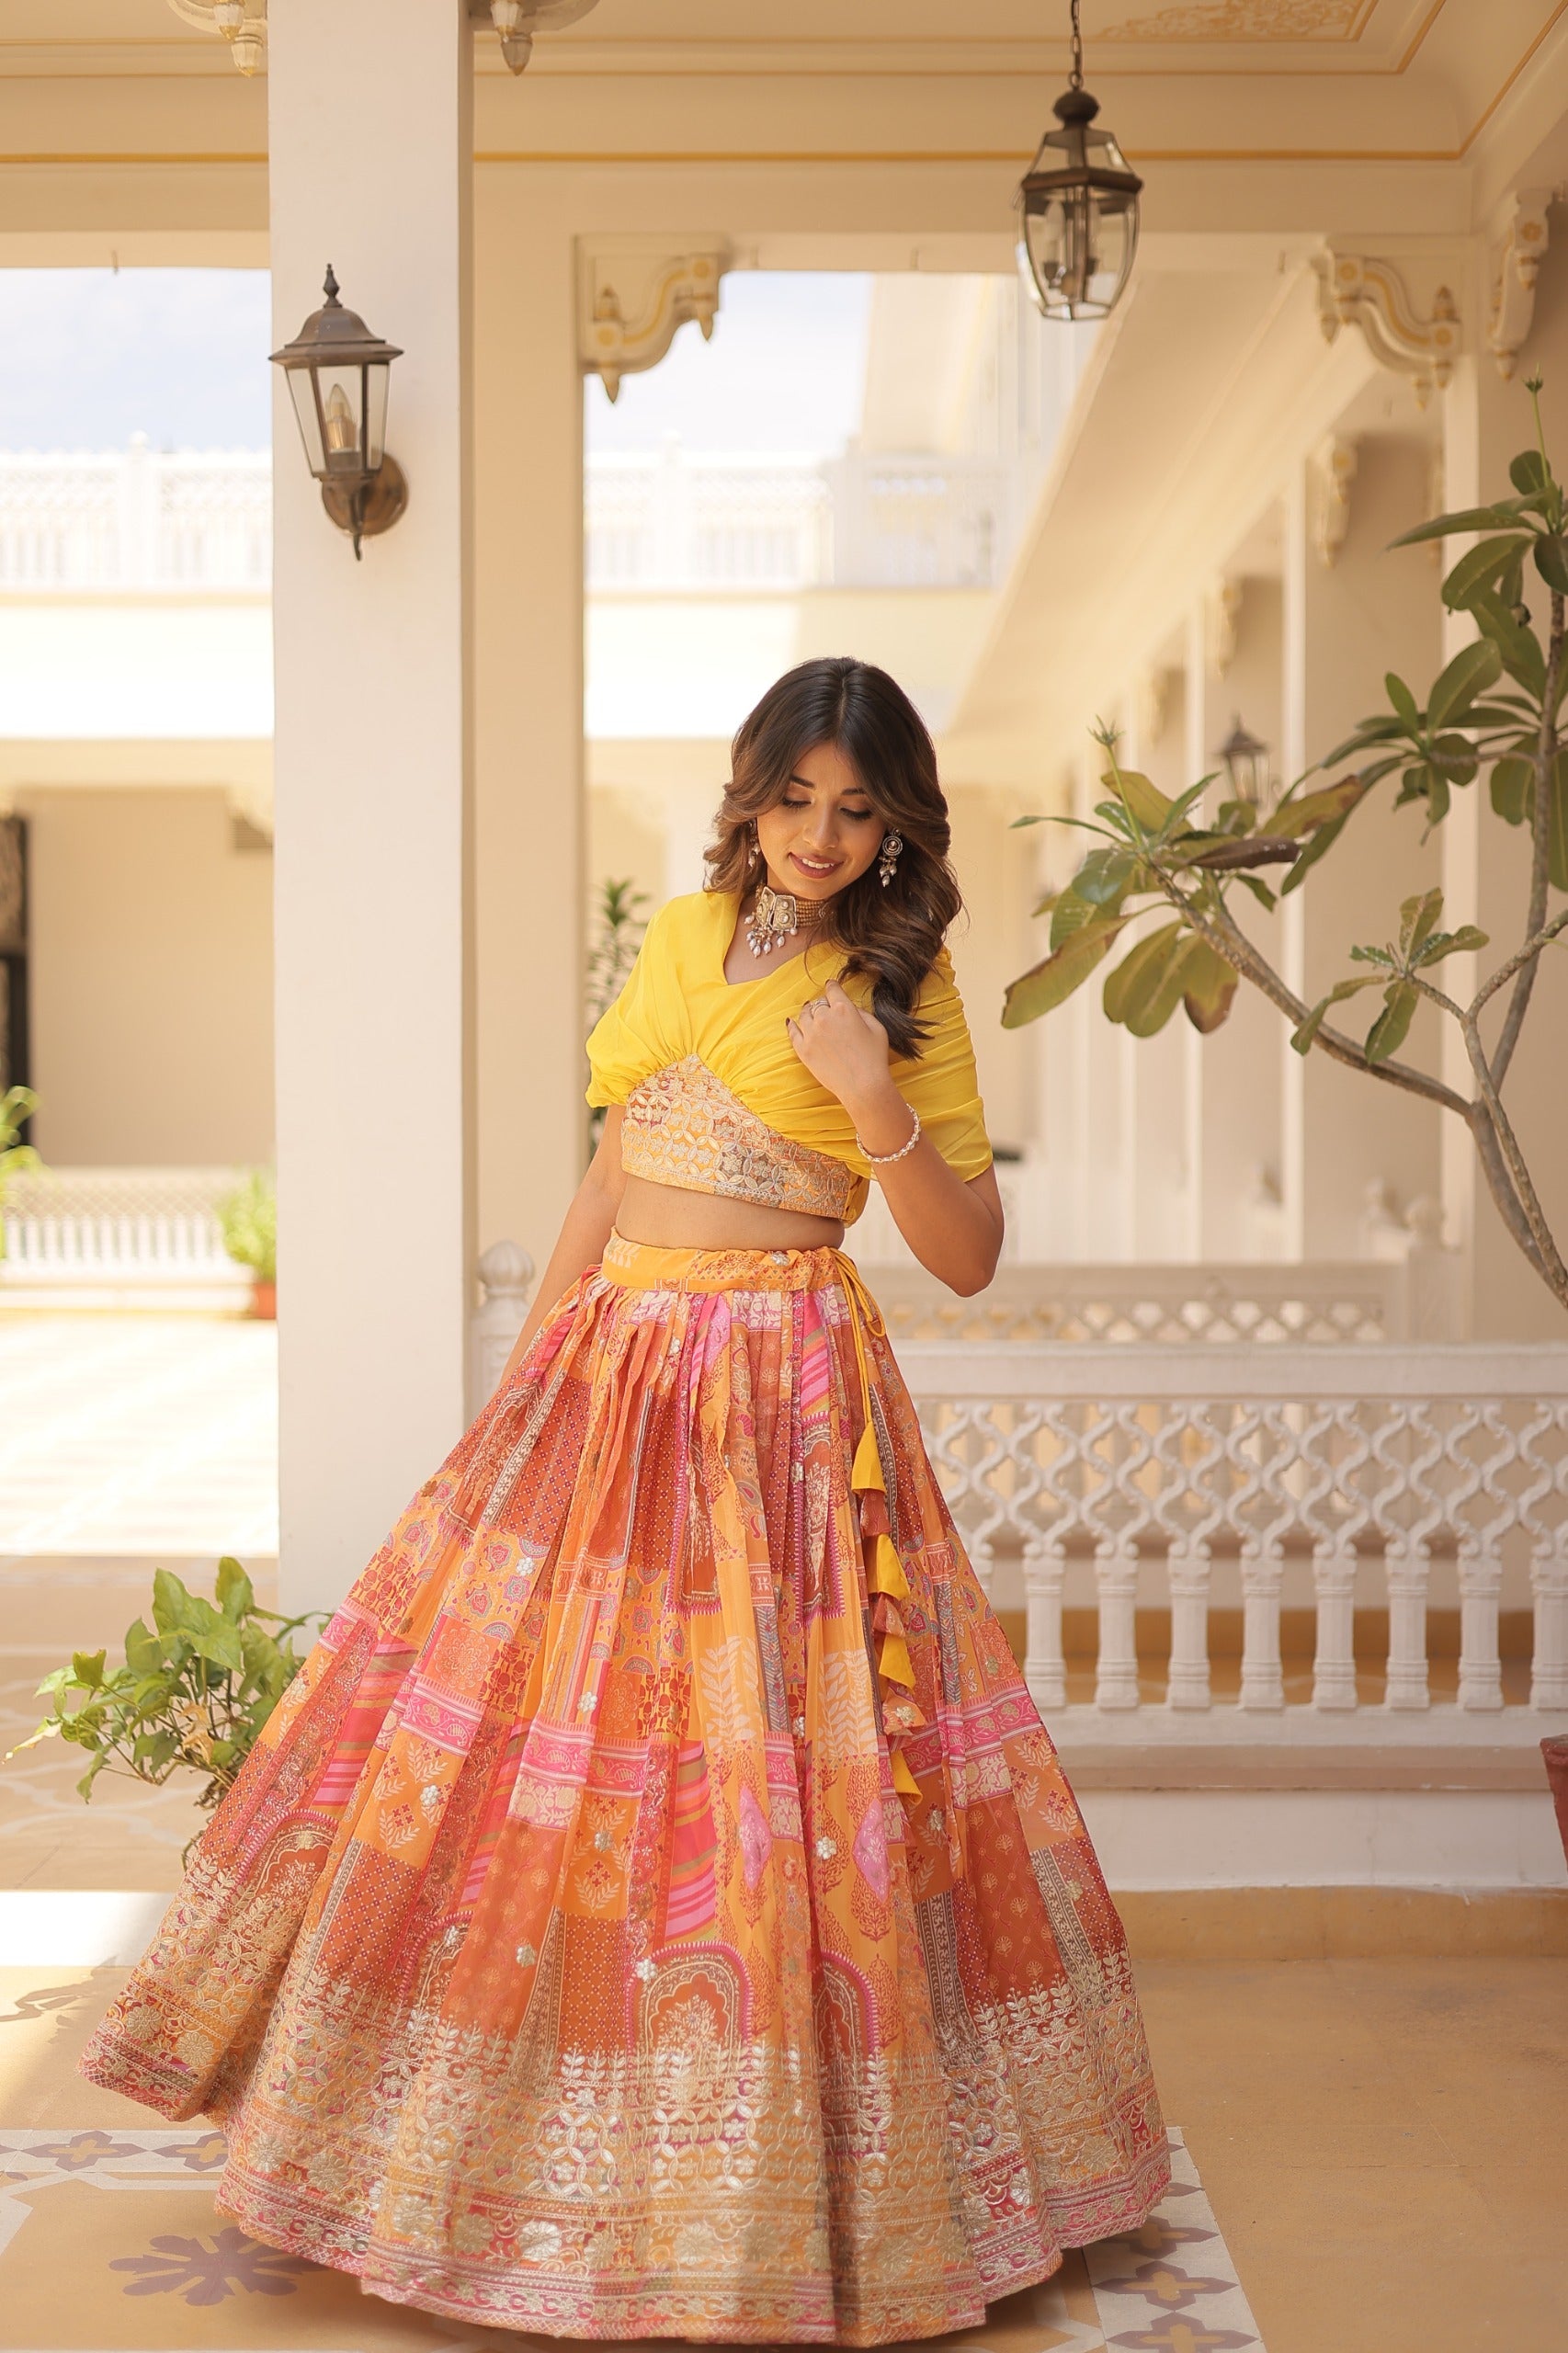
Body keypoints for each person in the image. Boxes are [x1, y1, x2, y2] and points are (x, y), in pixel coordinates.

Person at [80, 657, 1169, 2346]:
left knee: (763, 1770)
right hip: (614, 1375)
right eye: (793, 799)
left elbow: (965, 1254)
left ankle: (768, 2189)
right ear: (749, 797)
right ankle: (497, 2155)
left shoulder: (904, 984)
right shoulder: (676, 938)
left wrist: (870, 1094)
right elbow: (607, 1169)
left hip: (783, 1395)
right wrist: (529, 1378)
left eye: (855, 808)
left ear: (896, 826)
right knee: (544, 1749)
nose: (818, 835)